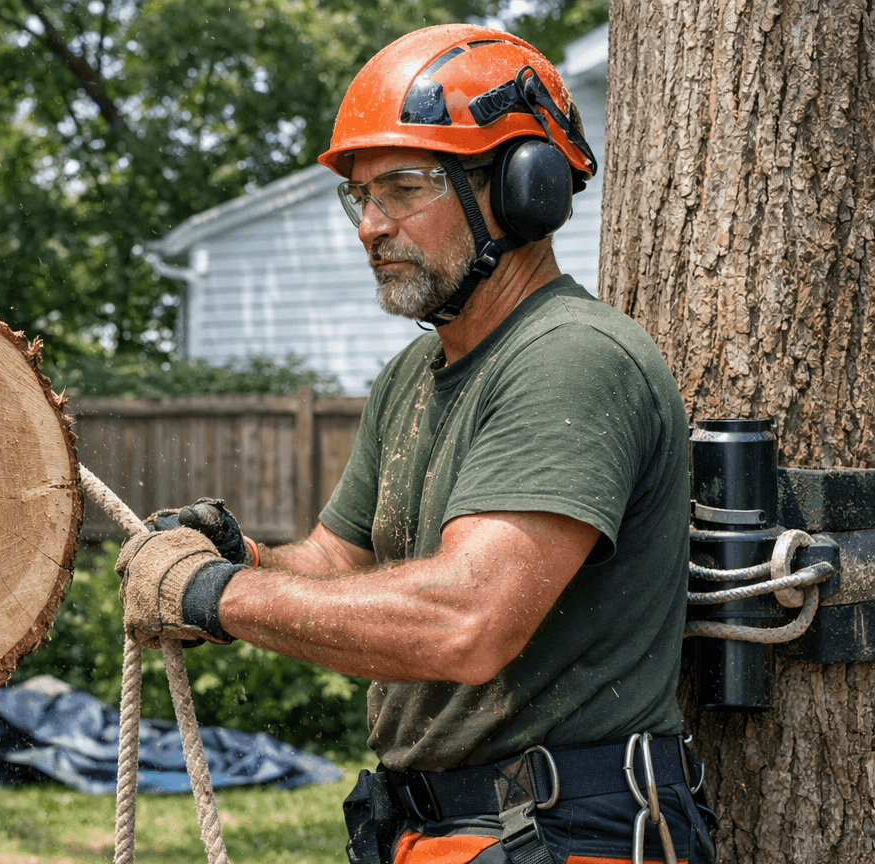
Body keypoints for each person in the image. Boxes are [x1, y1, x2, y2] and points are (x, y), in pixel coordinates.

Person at [116, 24, 717, 864]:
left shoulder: (572, 360)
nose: (370, 225)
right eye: (360, 197)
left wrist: (216, 596)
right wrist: (242, 555)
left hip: (565, 831)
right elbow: (343, 564)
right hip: (446, 827)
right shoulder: (415, 373)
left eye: (403, 187)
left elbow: (468, 620)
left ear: (521, 189)